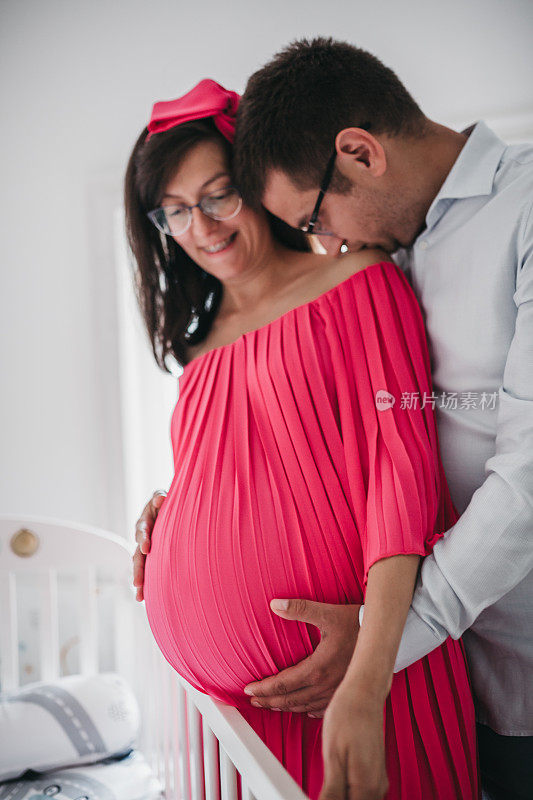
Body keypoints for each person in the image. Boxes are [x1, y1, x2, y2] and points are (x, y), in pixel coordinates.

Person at [128, 79, 479, 800]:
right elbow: (252, 471)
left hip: (363, 674)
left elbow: (399, 474)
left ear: (257, 185)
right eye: (175, 213)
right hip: (244, 721)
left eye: (219, 194)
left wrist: (367, 676)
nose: (203, 227)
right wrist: (170, 516)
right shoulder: (196, 354)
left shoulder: (358, 280)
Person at [227, 38, 533, 800]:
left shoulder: (525, 212)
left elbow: (527, 479)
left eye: (317, 216)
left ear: (359, 152)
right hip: (466, 687)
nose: (330, 245)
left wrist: (381, 644)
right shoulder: (387, 255)